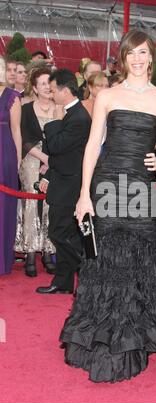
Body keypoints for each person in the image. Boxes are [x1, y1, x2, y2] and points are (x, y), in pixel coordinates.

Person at [60, 30, 156, 383]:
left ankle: (143, 329)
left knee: (142, 259)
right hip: (107, 184)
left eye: (143, 53)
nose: (138, 59)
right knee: (106, 258)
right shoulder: (108, 95)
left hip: (141, 188)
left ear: (151, 57)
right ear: (123, 58)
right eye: (131, 54)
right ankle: (109, 334)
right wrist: (84, 194)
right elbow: (93, 145)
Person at [36, 69, 92, 294]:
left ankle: (88, 271)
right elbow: (54, 151)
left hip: (71, 186)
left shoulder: (78, 117)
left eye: (53, 90)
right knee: (63, 233)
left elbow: (56, 146)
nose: (51, 94)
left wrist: (55, 121)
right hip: (62, 181)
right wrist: (48, 176)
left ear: (65, 90)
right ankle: (63, 282)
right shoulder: (72, 114)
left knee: (60, 234)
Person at [15, 68, 56, 277]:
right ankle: (30, 252)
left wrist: (51, 161)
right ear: (35, 88)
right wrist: (43, 158)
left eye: (50, 83)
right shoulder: (27, 108)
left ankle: (48, 252)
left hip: (54, 162)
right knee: (31, 202)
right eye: (42, 84)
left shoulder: (60, 109)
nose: (47, 87)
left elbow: (62, 139)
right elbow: (23, 137)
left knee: (51, 203)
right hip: (31, 158)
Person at [0, 57, 22, 275]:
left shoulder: (12, 97)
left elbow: (17, 132)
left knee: (4, 207)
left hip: (4, 154)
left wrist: (17, 162)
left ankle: (2, 259)